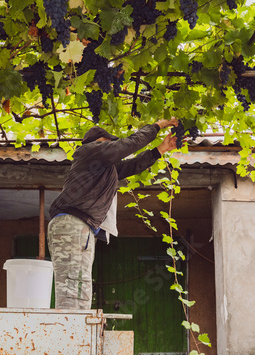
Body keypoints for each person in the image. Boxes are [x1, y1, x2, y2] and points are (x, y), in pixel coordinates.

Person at [47, 118, 179, 309]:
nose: (114, 149)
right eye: (110, 144)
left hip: (75, 227)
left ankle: (76, 332)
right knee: (73, 289)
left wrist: (159, 150)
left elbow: (132, 166)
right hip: (73, 225)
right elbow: (127, 146)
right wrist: (158, 126)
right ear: (99, 142)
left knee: (77, 288)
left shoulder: (102, 168)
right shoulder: (89, 151)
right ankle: (72, 335)